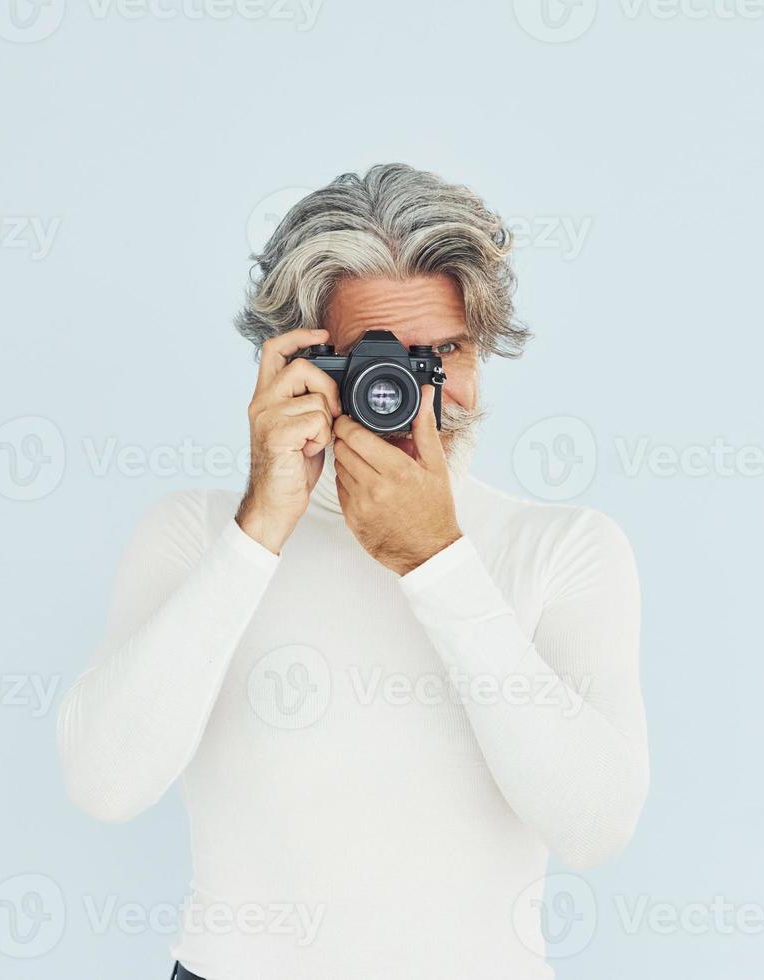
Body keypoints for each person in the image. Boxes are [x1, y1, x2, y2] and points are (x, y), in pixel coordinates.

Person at [57, 163, 649, 979]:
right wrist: (260, 524)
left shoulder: (564, 547)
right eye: (377, 359)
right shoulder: (197, 535)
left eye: (443, 351)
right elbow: (102, 783)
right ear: (302, 359)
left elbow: (597, 826)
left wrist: (438, 560)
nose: (410, 392)